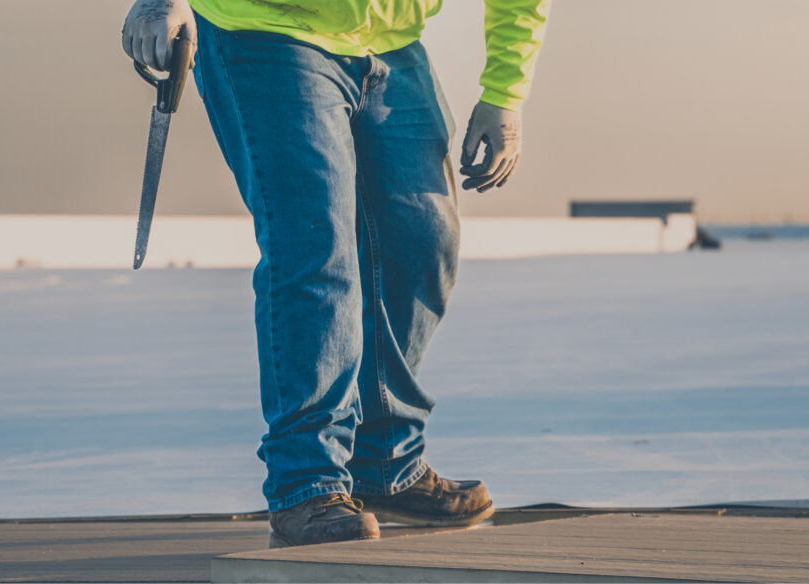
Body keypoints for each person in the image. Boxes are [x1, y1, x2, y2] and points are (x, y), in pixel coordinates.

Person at [122, 0, 550, 547]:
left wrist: (505, 95)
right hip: (264, 30)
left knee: (422, 243)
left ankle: (384, 463)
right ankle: (308, 483)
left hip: (389, 44)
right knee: (316, 250)